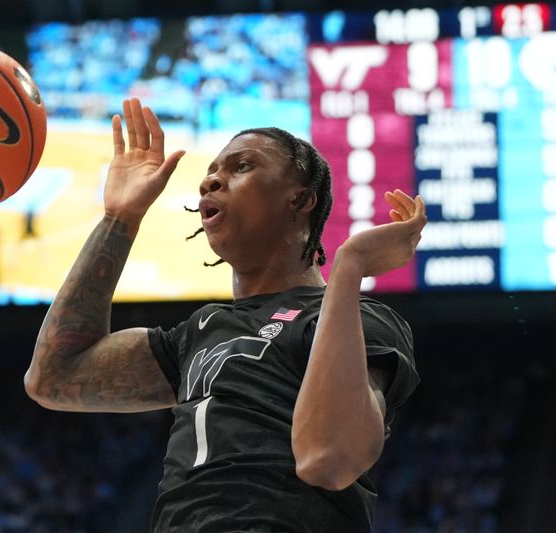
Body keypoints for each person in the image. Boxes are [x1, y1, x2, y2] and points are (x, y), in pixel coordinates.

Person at [24, 98, 427, 532]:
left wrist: (350, 265)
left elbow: (328, 459)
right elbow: (54, 377)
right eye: (211, 172)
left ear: (302, 200)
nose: (212, 180)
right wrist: (119, 218)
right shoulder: (197, 333)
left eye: (241, 166)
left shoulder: (360, 320)